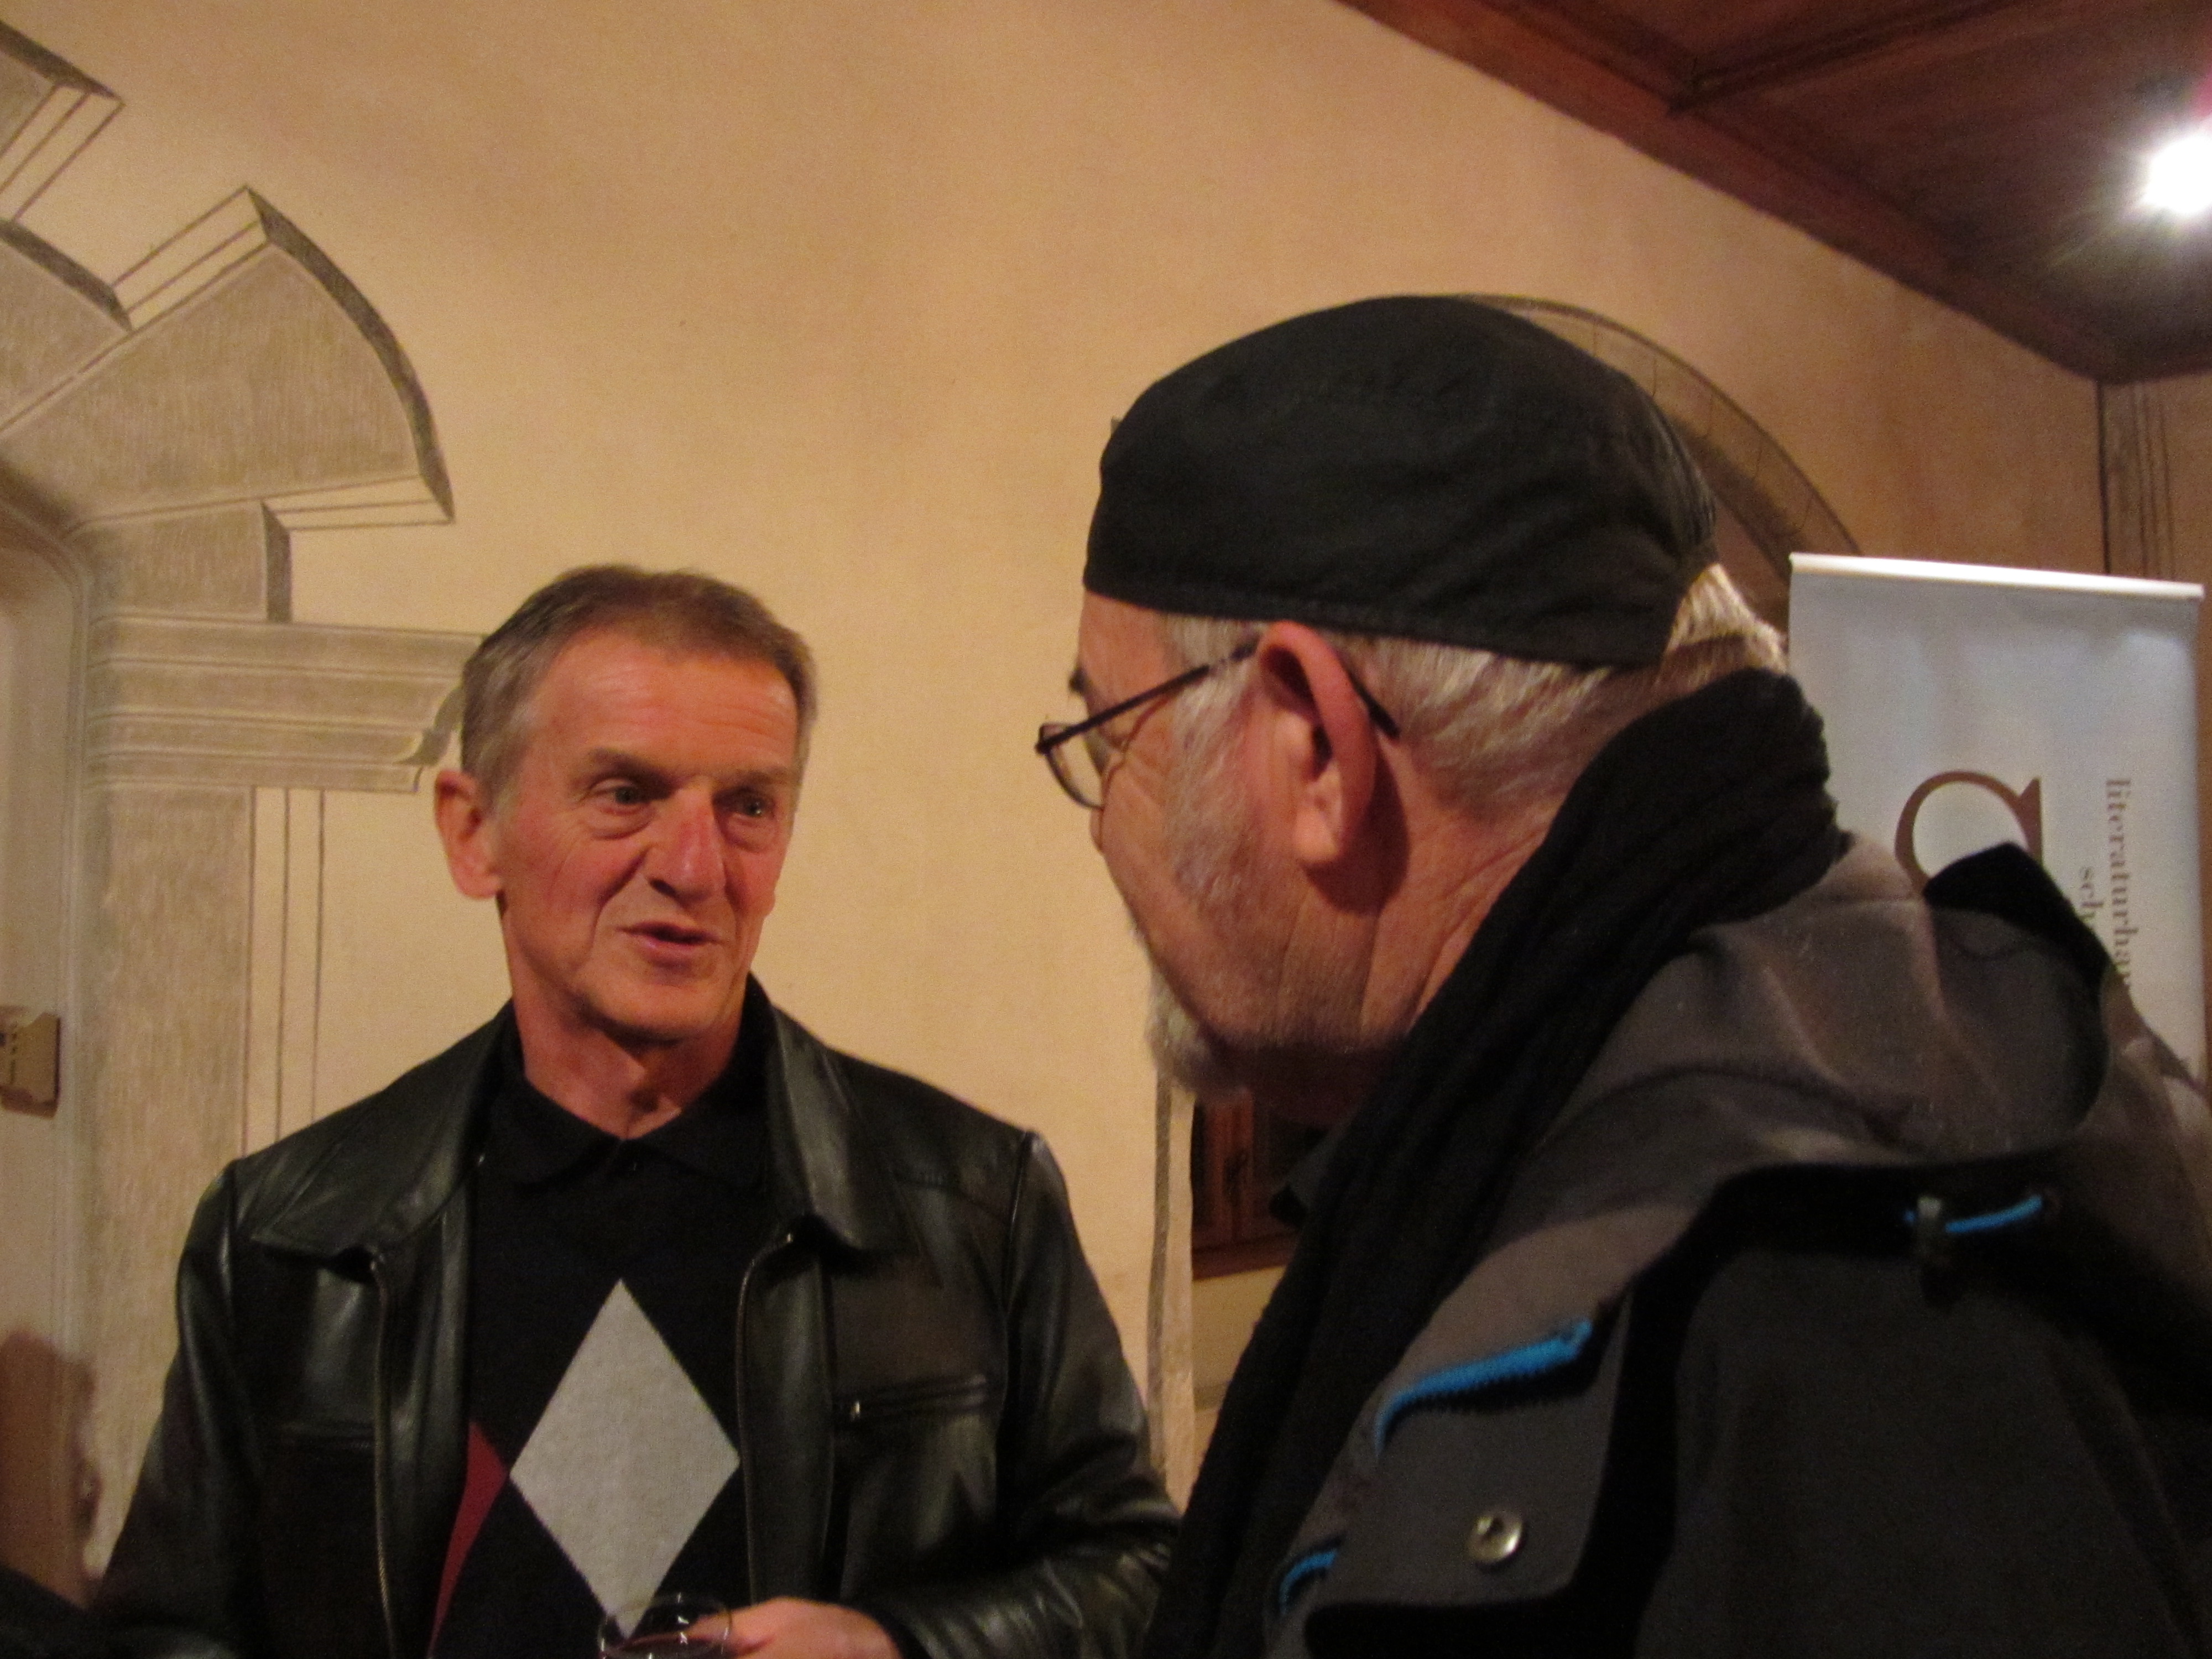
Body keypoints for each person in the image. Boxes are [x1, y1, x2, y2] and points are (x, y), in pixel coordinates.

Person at [1040, 296, 2212, 1658]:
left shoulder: (1825, 1310)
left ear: (1314, 748)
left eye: (1111, 737)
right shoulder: (1845, 1032)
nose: (1101, 819)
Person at [98, 567, 1176, 1659]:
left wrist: (896, 1648)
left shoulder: (973, 1206)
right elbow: (168, 1633)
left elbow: (1141, 1578)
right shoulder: (286, 1238)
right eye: (625, 795)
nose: (695, 868)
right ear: (474, 832)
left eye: (747, 807)